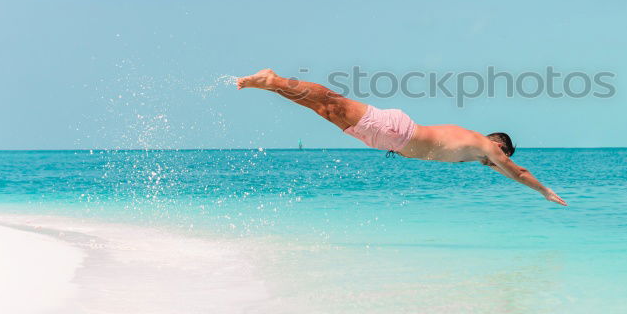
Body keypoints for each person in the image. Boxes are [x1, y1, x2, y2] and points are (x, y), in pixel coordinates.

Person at [237, 69, 567, 206]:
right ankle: (273, 78)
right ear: (498, 145)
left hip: (390, 138)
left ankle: (272, 84)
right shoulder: (483, 144)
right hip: (397, 132)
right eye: (501, 154)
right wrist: (545, 191)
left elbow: (501, 171)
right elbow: (516, 171)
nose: (497, 161)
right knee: (332, 103)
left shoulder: (473, 152)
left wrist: (494, 167)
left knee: (323, 110)